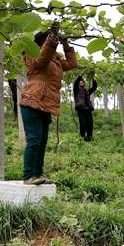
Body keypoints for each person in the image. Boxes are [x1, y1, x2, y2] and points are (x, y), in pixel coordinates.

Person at [19, 21, 77, 185]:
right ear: (39, 43)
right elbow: (41, 59)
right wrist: (52, 37)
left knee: (42, 141)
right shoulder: (31, 56)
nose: (52, 43)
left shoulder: (55, 60)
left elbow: (72, 64)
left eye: (52, 40)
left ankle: (37, 175)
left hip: (46, 104)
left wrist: (66, 44)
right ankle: (28, 175)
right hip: (32, 101)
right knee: (34, 140)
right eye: (47, 40)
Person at [73, 75, 97, 141]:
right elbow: (75, 83)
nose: (81, 83)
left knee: (90, 123)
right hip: (81, 109)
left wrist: (93, 79)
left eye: (82, 82)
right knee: (82, 124)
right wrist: (81, 76)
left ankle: (89, 137)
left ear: (84, 84)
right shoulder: (76, 90)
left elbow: (94, 87)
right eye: (80, 82)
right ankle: (82, 137)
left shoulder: (87, 91)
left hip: (88, 109)